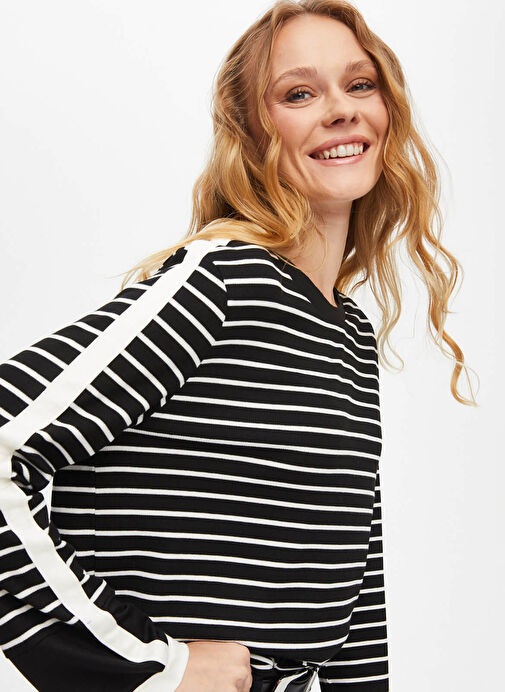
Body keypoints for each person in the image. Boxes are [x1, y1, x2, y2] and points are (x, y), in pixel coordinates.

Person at [0, 1, 476, 691]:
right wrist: (152, 667)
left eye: (360, 84)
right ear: (250, 132)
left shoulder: (347, 334)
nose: (341, 110)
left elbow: (353, 573)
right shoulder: (221, 281)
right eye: (299, 94)